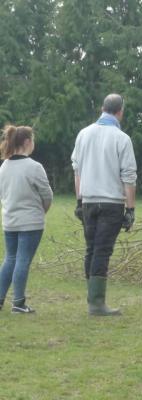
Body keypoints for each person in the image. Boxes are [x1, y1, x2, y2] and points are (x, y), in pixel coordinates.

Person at [71, 93, 137, 316]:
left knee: (91, 249)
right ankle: (97, 304)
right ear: (120, 112)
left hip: (88, 201)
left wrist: (79, 200)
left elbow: (77, 170)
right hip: (111, 203)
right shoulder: (122, 138)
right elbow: (129, 176)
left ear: (102, 108)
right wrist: (130, 209)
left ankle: (93, 299)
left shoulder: (83, 134)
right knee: (102, 251)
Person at [0, 125, 53, 313]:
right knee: (23, 260)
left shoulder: (4, 167)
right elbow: (47, 195)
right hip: (30, 222)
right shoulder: (34, 167)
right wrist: (41, 212)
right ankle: (18, 303)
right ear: (27, 142)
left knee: (10, 259)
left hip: (9, 221)